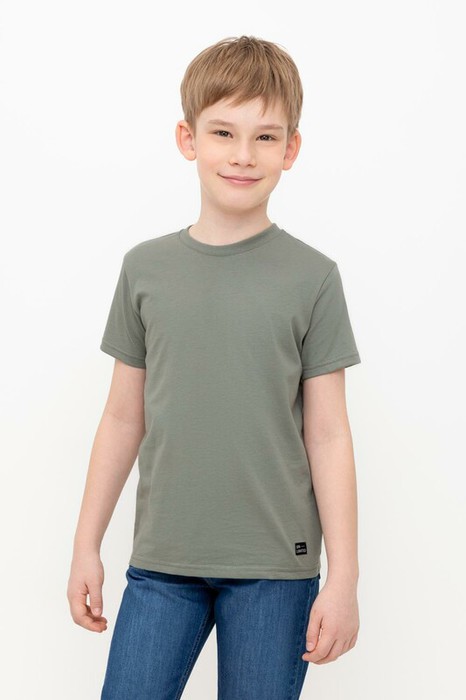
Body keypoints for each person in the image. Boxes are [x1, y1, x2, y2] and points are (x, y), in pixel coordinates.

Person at [67, 35, 362, 699]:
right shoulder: (145, 269)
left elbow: (328, 434)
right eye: (224, 132)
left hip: (275, 570)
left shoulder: (314, 278)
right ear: (188, 138)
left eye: (265, 137)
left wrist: (344, 577)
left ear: (291, 149)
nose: (242, 154)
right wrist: (87, 544)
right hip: (163, 562)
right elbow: (122, 417)